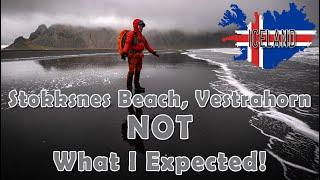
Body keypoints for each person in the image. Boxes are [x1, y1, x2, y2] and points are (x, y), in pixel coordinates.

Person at [121, 19, 159, 92]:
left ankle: (137, 86)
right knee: (131, 71)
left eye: (142, 26)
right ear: (136, 26)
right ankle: (129, 89)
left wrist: (153, 52)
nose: (141, 27)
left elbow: (147, 46)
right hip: (132, 56)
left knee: (138, 71)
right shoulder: (131, 34)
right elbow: (127, 43)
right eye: (140, 25)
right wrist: (124, 52)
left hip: (139, 56)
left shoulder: (142, 36)